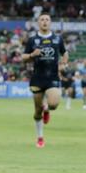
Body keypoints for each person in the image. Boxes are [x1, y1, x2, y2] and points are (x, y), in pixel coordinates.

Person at [23, 13, 68, 148]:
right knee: (37, 111)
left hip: (52, 77)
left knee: (54, 104)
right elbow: (24, 56)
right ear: (38, 22)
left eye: (47, 20)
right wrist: (32, 55)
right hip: (37, 78)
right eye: (42, 19)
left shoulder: (57, 39)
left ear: (50, 23)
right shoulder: (32, 40)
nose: (44, 22)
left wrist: (64, 63)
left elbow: (64, 52)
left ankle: (47, 108)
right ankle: (40, 137)